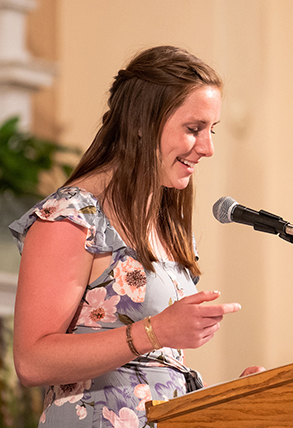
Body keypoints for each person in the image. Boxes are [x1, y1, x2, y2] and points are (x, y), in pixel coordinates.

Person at [9, 46, 261, 427]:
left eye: (212, 130)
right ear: (142, 123)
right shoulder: (72, 217)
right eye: (194, 129)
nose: (207, 148)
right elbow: (31, 360)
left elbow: (152, 377)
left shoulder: (168, 226)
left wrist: (231, 400)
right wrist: (155, 331)